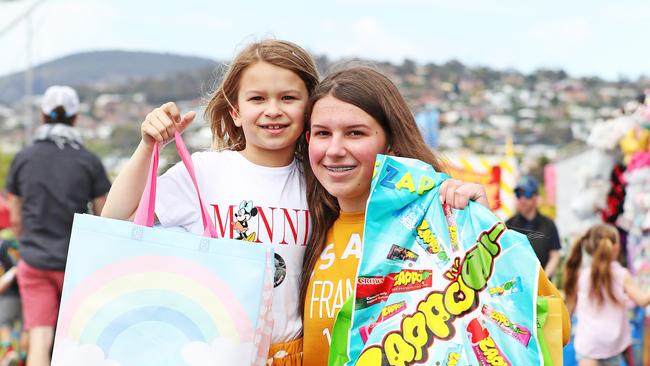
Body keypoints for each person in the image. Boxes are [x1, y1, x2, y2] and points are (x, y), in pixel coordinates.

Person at [299, 66, 570, 364]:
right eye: (323, 133)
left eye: (355, 133)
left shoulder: (441, 227)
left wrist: (486, 237)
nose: (335, 149)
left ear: (390, 141)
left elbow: (555, 327)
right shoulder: (306, 229)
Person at [101, 39, 319, 365]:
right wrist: (147, 146)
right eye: (257, 98)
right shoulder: (205, 171)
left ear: (309, 108)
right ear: (235, 112)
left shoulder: (320, 181)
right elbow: (116, 218)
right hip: (211, 353)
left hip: (292, 355)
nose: (273, 109)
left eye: (288, 98)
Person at [6, 85, 111, 366]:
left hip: (35, 261)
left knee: (40, 338)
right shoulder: (88, 161)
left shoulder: (24, 158)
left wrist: (28, 245)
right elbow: (106, 214)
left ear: (42, 116)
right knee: (78, 339)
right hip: (76, 265)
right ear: (76, 118)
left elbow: (15, 216)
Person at [563, 223, 650, 366]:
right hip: (613, 347)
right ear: (615, 247)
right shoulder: (621, 275)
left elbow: (568, 312)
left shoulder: (581, 276)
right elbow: (642, 300)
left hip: (588, 345)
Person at [506, 175, 562, 278]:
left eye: (526, 194)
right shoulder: (509, 225)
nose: (522, 199)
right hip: (518, 285)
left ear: (536, 197)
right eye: (518, 194)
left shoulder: (549, 224)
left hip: (544, 286)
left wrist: (543, 279)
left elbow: (554, 254)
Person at [0, 230, 23, 365]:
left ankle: (10, 354)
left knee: (5, 325)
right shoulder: (9, 243)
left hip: (9, 296)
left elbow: (15, 269)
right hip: (24, 293)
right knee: (19, 330)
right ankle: (17, 356)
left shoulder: (4, 245)